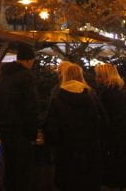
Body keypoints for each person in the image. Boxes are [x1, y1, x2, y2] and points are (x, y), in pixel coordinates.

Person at [44, 63, 103, 191]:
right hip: (89, 149)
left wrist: (52, 144)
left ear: (64, 75)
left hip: (65, 150)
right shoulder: (90, 96)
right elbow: (101, 121)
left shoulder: (57, 96)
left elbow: (51, 126)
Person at [0, 45, 39, 191]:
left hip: (5, 129)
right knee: (22, 170)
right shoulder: (26, 76)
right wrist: (32, 132)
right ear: (29, 60)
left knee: (9, 167)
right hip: (21, 131)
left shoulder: (4, 75)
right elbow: (30, 106)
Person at [94, 63, 126, 191]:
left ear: (105, 77)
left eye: (98, 76)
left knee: (117, 180)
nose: (96, 79)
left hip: (116, 145)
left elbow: (108, 121)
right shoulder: (119, 93)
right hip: (125, 143)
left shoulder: (107, 95)